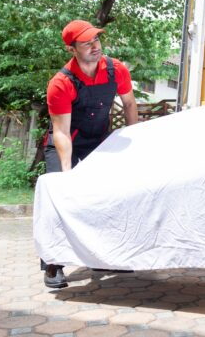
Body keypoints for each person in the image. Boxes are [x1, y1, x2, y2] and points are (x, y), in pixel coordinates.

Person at [41, 19, 138, 289]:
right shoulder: (61, 83)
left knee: (108, 196)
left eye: (96, 40)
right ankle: (53, 263)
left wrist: (138, 141)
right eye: (87, 43)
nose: (95, 46)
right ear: (72, 49)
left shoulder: (115, 69)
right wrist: (67, 171)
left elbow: (129, 104)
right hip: (67, 140)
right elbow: (60, 131)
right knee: (59, 197)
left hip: (99, 140)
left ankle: (103, 256)